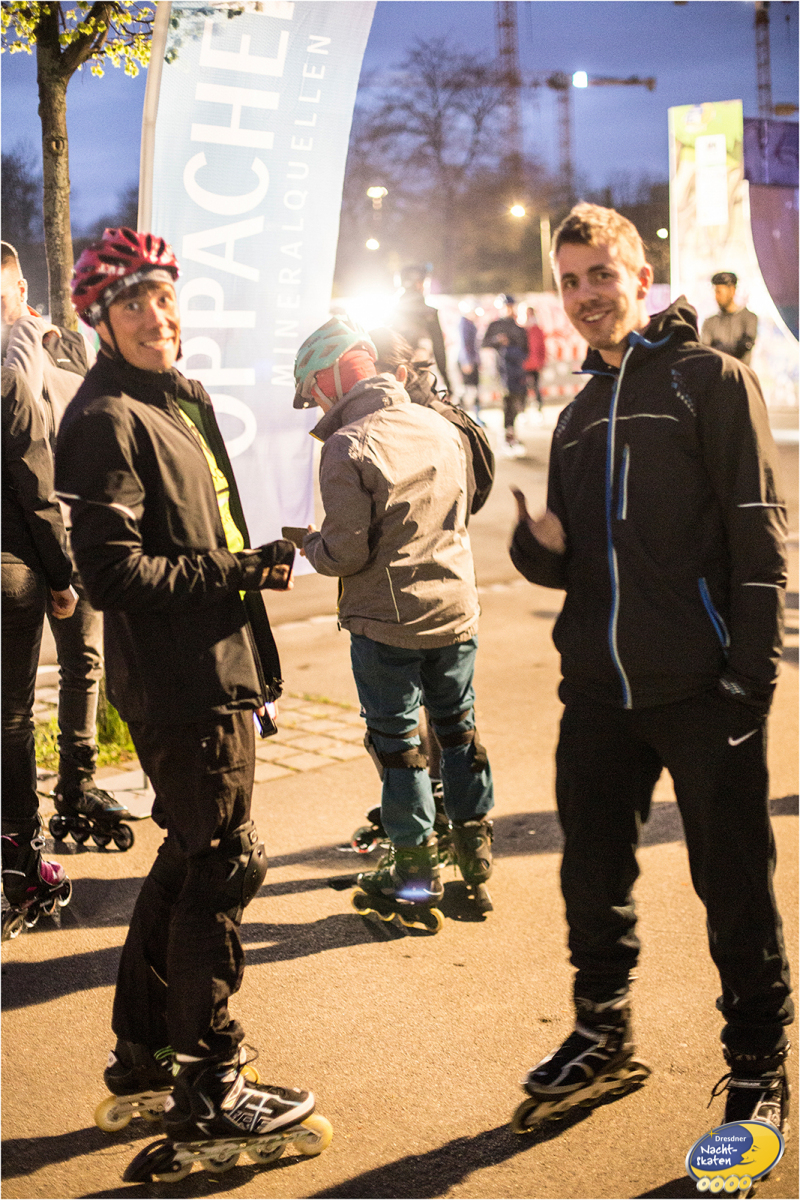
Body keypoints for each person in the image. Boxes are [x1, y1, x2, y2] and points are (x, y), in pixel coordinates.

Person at [508, 203, 792, 1135]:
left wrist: (752, 679)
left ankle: (758, 1065)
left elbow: (760, 534)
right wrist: (536, 548)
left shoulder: (710, 380)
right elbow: (574, 563)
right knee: (590, 880)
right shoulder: (576, 413)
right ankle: (604, 1032)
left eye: (601, 274)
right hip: (599, 693)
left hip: (703, 689)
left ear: (640, 275)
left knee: (734, 886)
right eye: (570, 281)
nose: (586, 294)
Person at [54, 227, 322, 1175]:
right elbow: (112, 574)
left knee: (190, 857)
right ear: (100, 321)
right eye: (132, 304)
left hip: (214, 665)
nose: (155, 316)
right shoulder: (104, 419)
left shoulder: (177, 399)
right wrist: (236, 570)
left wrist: (249, 576)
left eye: (163, 297)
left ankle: (144, 1052)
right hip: (180, 682)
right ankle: (211, 1085)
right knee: (222, 866)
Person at [293, 316, 495, 925]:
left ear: (330, 378)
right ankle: (475, 854)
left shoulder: (346, 444)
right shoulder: (440, 425)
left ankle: (413, 870)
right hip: (456, 611)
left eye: (312, 391)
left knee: (399, 743)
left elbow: (345, 553)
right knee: (458, 730)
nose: (315, 404)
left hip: (388, 624)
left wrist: (309, 544)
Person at [1, 241, 131, 843]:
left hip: (74, 532)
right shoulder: (23, 351)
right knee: (15, 699)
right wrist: (27, 337)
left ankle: (77, 782)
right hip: (23, 544)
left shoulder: (60, 347)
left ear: (21, 289)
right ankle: (18, 813)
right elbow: (20, 410)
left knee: (84, 663)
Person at [2, 365, 76, 939]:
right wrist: (60, 577)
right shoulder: (6, 385)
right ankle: (20, 864)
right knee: (10, 719)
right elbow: (36, 487)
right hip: (9, 574)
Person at [389, 263, 453, 396]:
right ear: (418, 284)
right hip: (422, 381)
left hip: (397, 380)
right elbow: (439, 348)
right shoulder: (429, 313)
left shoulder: (392, 313)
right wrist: (446, 380)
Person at [482, 295, 529, 456]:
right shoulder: (495, 325)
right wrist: (498, 340)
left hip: (517, 372)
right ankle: (507, 435)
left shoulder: (518, 328)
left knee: (518, 401)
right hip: (502, 372)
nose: (508, 309)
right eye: (506, 306)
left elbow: (526, 349)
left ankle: (511, 432)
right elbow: (484, 343)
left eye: (510, 306)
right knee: (507, 402)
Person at [700, 271, 758, 364]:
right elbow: (705, 351)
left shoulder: (749, 318)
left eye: (719, 292)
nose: (716, 297)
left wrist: (718, 348)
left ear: (732, 290)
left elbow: (745, 345)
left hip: (740, 372)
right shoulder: (710, 322)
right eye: (715, 292)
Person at [457, 307, 481, 416]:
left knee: (474, 389)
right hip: (467, 361)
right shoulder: (464, 325)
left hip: (472, 361)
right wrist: (466, 361)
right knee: (466, 389)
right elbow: (463, 343)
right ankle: (460, 414)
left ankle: (476, 415)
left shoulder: (470, 324)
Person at [523, 306, 546, 413]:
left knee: (536, 387)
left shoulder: (537, 330)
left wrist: (541, 362)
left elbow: (542, 347)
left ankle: (539, 409)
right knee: (523, 388)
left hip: (535, 364)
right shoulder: (522, 330)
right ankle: (523, 410)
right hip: (524, 364)